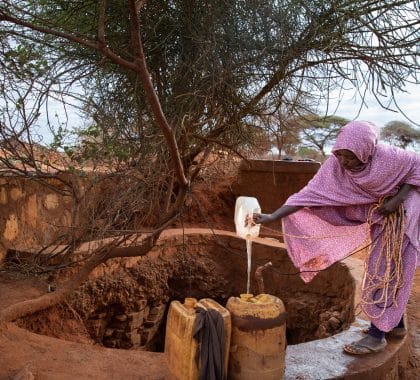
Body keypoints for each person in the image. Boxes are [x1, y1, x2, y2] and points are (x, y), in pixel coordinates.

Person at [251, 120, 420, 355]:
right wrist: (273, 215)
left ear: (366, 150)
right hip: (381, 215)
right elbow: (308, 195)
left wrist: (397, 200)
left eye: (350, 157)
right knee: (384, 270)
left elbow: (417, 167)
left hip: (404, 215)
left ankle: (376, 336)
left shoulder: (389, 157)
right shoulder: (335, 165)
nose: (344, 162)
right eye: (339, 155)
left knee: (386, 270)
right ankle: (395, 326)